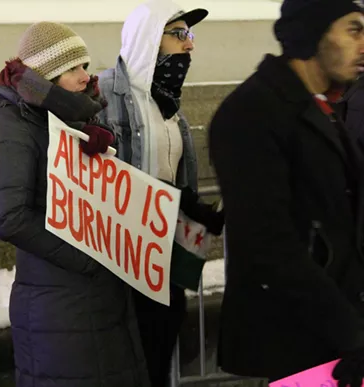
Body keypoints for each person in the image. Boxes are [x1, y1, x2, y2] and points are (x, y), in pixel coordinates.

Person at [0, 21, 150, 387]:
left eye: (85, 66)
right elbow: (10, 217)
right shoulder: (10, 120)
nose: (86, 77)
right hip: (58, 302)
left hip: (94, 295)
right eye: (74, 68)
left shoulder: (70, 117)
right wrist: (89, 256)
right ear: (47, 74)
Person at [208, 0, 364, 384]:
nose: (363, 44)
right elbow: (268, 244)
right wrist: (351, 334)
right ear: (313, 32)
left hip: (333, 327)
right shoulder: (252, 112)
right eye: (353, 30)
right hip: (298, 340)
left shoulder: (321, 107)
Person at [98, 1, 223, 385]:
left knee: (159, 354)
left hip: (163, 258)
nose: (190, 46)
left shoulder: (169, 108)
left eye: (191, 36)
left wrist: (193, 206)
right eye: (179, 34)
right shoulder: (103, 96)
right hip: (119, 260)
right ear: (149, 38)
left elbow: (171, 179)